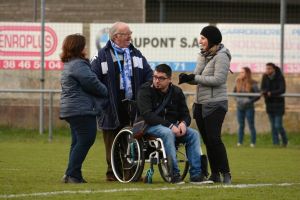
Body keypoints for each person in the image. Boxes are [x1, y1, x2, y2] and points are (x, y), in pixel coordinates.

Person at [91, 22, 153, 181]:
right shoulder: (102, 56)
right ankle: (112, 174)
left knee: (130, 142)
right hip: (110, 106)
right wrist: (103, 98)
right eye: (127, 34)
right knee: (111, 142)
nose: (130, 36)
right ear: (115, 37)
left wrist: (144, 93)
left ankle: (131, 174)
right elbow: (93, 79)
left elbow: (148, 75)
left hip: (132, 106)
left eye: (130, 33)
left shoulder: (136, 54)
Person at [137, 64, 212, 184]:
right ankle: (174, 175)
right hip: (149, 126)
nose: (157, 80)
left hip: (172, 127)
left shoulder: (177, 92)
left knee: (193, 134)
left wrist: (183, 123)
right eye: (155, 77)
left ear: (169, 79)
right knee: (167, 133)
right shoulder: (145, 90)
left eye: (161, 78)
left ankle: (196, 175)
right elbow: (147, 115)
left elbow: (185, 114)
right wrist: (170, 126)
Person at [178, 25, 231, 184]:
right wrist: (188, 78)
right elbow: (198, 77)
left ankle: (226, 173)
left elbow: (218, 80)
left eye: (203, 38)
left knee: (215, 139)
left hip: (215, 104)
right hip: (200, 103)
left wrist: (196, 77)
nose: (200, 41)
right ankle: (214, 174)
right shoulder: (202, 55)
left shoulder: (222, 56)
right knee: (207, 141)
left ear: (211, 40)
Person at [59, 34, 108, 183]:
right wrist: (106, 91)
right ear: (79, 47)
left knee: (77, 141)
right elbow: (92, 82)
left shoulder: (69, 64)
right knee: (86, 139)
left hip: (71, 108)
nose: (86, 48)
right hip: (80, 109)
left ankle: (72, 175)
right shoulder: (78, 65)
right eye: (84, 45)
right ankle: (72, 174)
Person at [261, 62, 288, 147]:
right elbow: (262, 88)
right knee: (273, 126)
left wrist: (271, 93)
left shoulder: (280, 77)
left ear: (273, 69)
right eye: (266, 68)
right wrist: (265, 92)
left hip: (279, 105)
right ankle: (275, 143)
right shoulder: (265, 77)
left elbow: (282, 89)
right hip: (269, 104)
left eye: (269, 68)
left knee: (278, 125)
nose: (267, 70)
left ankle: (285, 141)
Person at [234, 67, 260, 147]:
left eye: (243, 72)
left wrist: (249, 101)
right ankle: (239, 142)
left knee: (251, 125)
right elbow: (234, 93)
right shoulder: (237, 81)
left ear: (247, 73)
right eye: (240, 72)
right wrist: (237, 100)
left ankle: (253, 143)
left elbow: (258, 95)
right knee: (241, 125)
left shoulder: (253, 83)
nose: (241, 74)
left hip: (249, 107)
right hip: (239, 107)